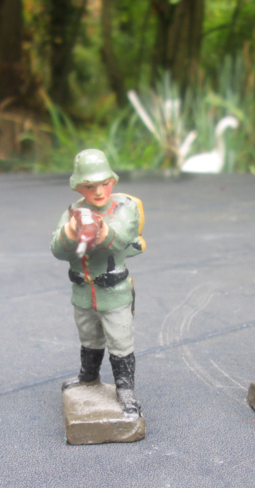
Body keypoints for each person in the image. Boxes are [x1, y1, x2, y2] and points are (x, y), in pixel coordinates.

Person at [51, 149, 146, 415]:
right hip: (83, 292)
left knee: (120, 341)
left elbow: (121, 238)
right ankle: (88, 376)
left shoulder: (124, 208)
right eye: (90, 186)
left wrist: (99, 229)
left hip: (114, 292)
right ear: (78, 186)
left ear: (112, 181)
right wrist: (72, 231)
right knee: (89, 337)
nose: (99, 192)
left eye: (105, 183)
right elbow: (57, 249)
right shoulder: (72, 212)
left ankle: (125, 388)